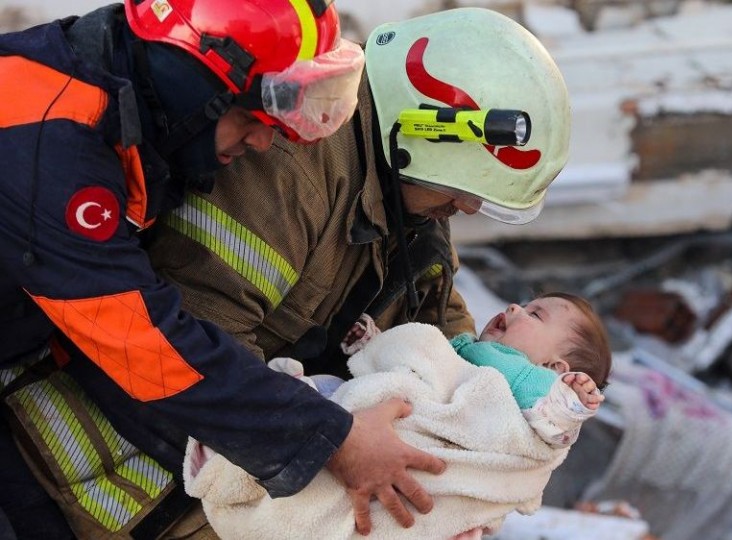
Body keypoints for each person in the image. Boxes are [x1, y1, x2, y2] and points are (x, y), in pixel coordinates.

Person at [0, 1, 445, 538]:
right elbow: (143, 343)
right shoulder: (54, 147)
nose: (262, 141)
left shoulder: (124, 100)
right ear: (188, 81)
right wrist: (332, 439)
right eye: (248, 116)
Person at [144, 7, 572, 533]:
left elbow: (438, 325)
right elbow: (195, 342)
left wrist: (491, 445)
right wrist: (336, 440)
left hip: (240, 482)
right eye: (463, 192)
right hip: (136, 487)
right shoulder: (292, 170)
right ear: (422, 132)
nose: (466, 208)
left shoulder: (408, 192)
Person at [184, 292, 612, 539]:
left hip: (426, 449)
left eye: (535, 315)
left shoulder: (528, 381)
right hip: (399, 421)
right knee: (339, 400)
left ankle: (244, 461)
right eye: (524, 303)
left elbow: (552, 425)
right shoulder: (466, 352)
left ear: (555, 367)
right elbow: (416, 363)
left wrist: (570, 401)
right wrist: (376, 345)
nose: (516, 308)